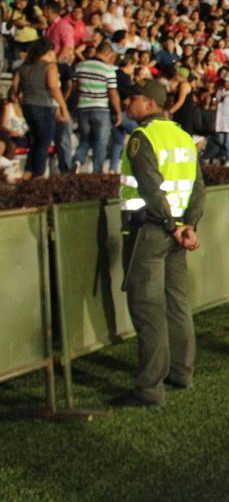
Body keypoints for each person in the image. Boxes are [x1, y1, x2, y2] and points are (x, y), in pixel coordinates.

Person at [113, 79, 205, 408]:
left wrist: (169, 225)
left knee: (148, 309)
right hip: (177, 234)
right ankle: (181, 372)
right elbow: (198, 189)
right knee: (177, 305)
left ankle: (149, 389)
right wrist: (187, 226)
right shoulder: (183, 136)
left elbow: (151, 189)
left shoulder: (142, 137)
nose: (127, 103)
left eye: (133, 98)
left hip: (149, 233)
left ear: (149, 104)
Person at [10, 40, 70, 179]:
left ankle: (28, 173)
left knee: (35, 142)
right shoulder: (50, 67)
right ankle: (38, 177)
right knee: (43, 143)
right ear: (48, 51)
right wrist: (63, 106)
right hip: (43, 106)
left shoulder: (23, 67)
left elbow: (15, 88)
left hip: (27, 107)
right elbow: (53, 87)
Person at [71, 43, 121, 173]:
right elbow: (113, 93)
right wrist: (118, 112)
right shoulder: (108, 70)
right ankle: (97, 172)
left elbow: (74, 89)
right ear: (108, 53)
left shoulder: (81, 66)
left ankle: (77, 160)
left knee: (85, 139)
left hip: (83, 108)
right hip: (101, 109)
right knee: (100, 142)